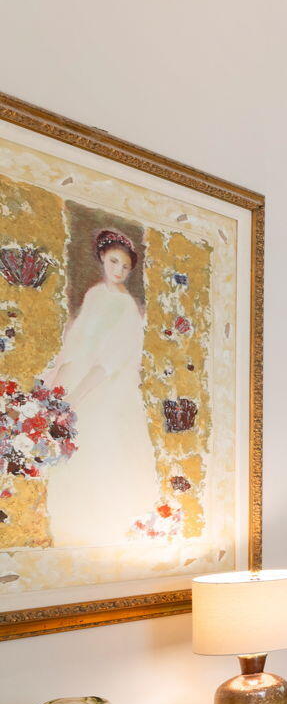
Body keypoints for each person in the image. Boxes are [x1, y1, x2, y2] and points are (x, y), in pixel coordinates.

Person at [43, 228, 157, 546]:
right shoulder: (94, 295)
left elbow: (110, 361)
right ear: (102, 260)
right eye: (114, 262)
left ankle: (107, 537)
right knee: (73, 465)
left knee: (103, 458)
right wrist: (55, 384)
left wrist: (74, 399)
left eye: (125, 267)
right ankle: (71, 536)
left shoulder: (127, 307)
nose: (118, 270)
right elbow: (75, 344)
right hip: (77, 381)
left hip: (106, 391)